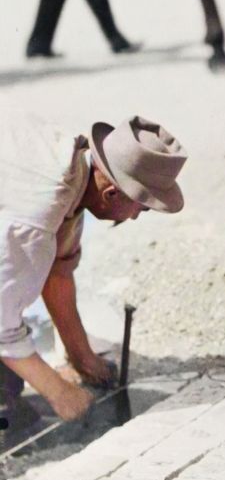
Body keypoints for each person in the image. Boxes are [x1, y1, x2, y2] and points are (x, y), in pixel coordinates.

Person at [0, 107, 187, 431]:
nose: (134, 217)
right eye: (140, 208)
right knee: (7, 388)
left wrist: (82, 356)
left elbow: (58, 272)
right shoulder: (38, 213)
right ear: (112, 192)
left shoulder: (76, 168)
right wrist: (58, 392)